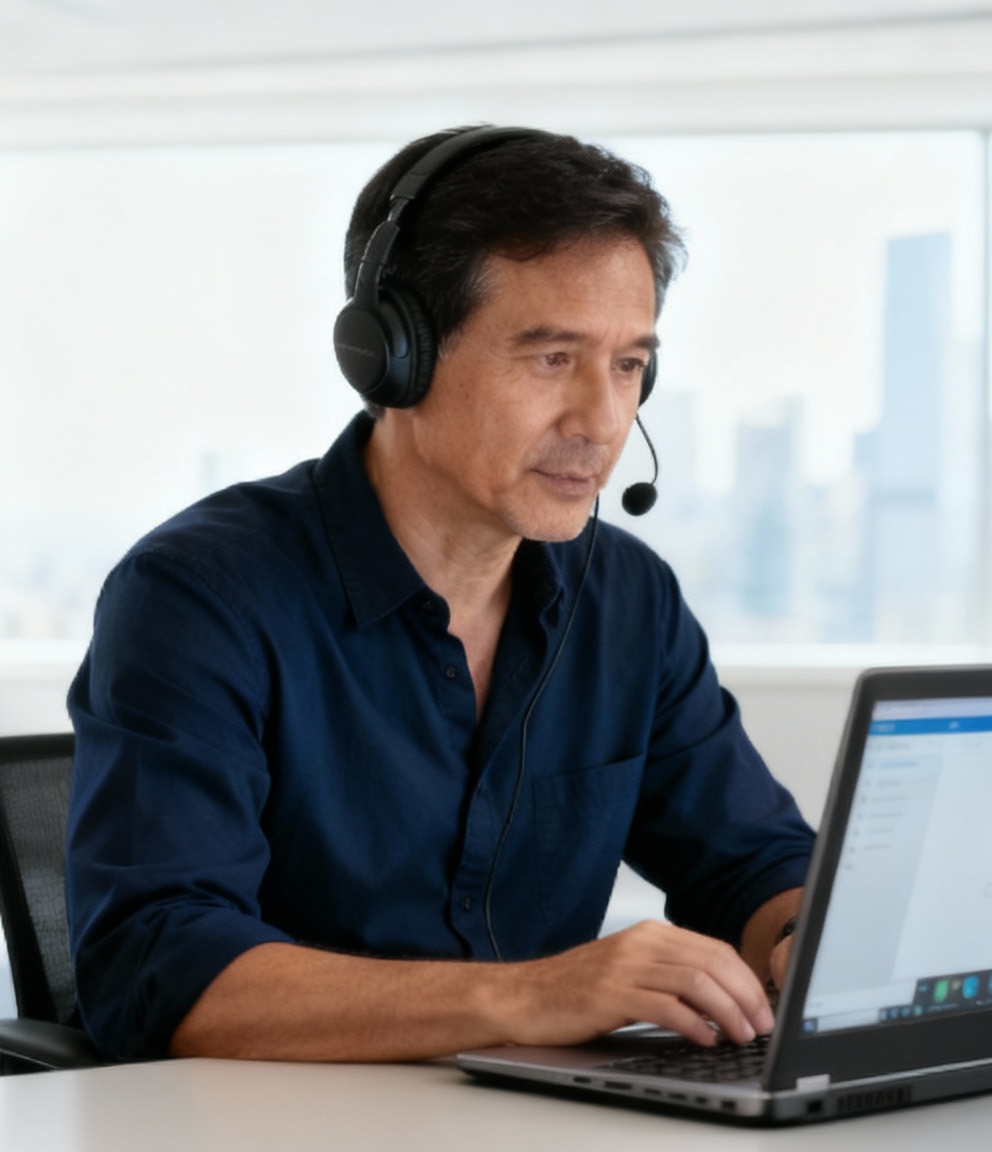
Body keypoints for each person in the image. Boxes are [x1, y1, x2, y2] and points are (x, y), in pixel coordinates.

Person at [64, 126, 816, 1064]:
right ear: (394, 357)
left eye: (628, 366)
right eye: (550, 359)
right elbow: (156, 964)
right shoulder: (201, 596)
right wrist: (532, 996)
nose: (602, 421)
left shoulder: (626, 599)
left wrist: (799, 946)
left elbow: (752, 863)